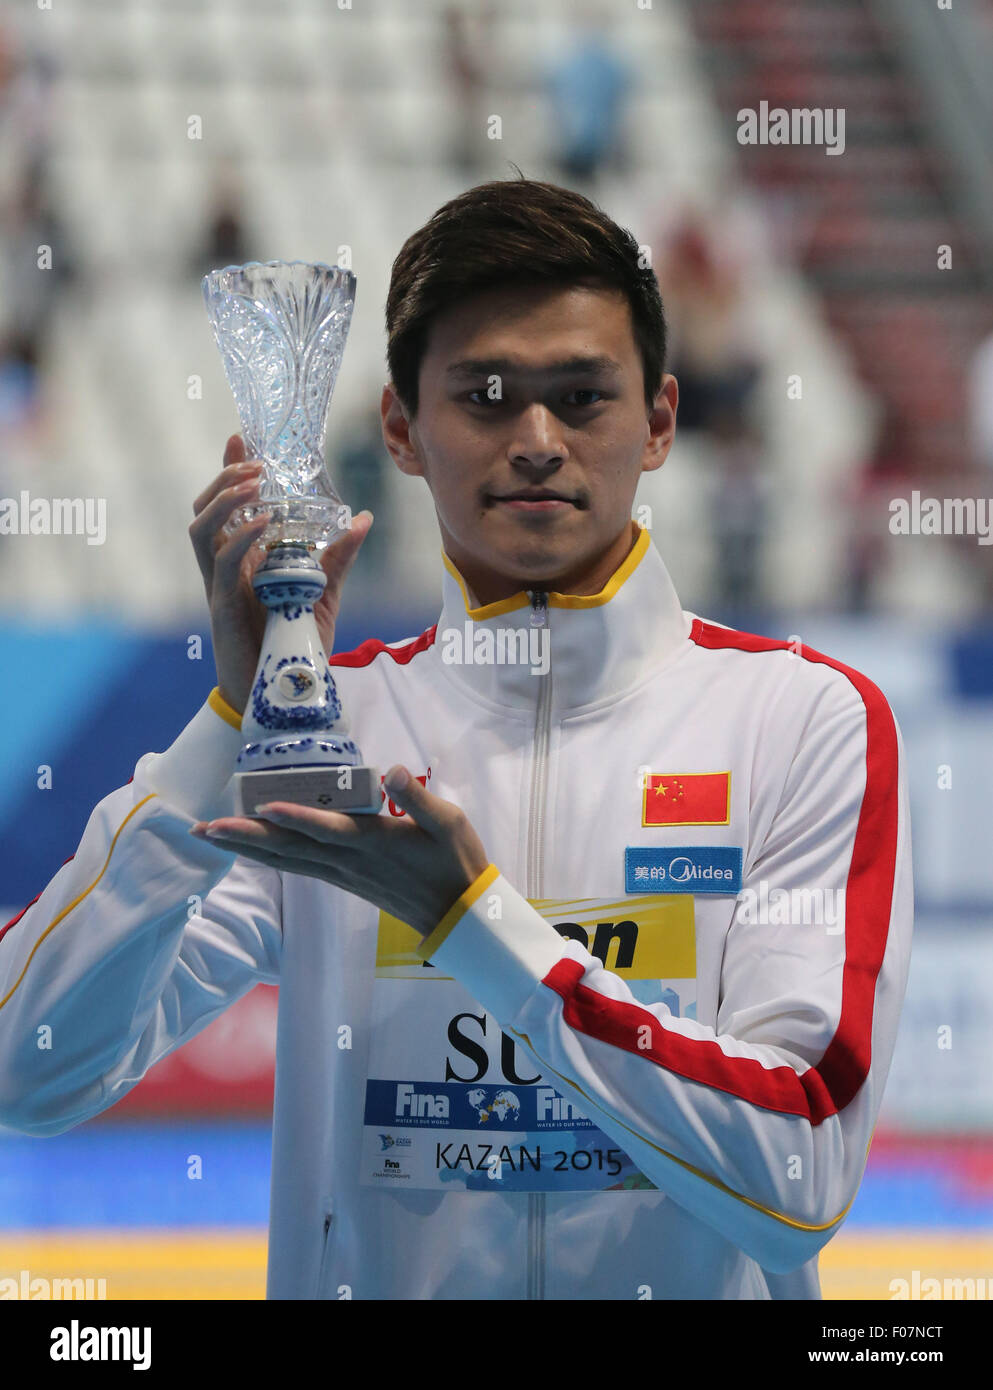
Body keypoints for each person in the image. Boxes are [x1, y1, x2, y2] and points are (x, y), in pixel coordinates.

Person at [0, 177, 913, 1300]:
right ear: (401, 426)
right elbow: (28, 1072)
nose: (536, 441)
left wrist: (469, 925)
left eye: (582, 397)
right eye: (485, 396)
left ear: (661, 420)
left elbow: (800, 1176)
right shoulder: (332, 739)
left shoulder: (800, 721)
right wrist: (233, 721)